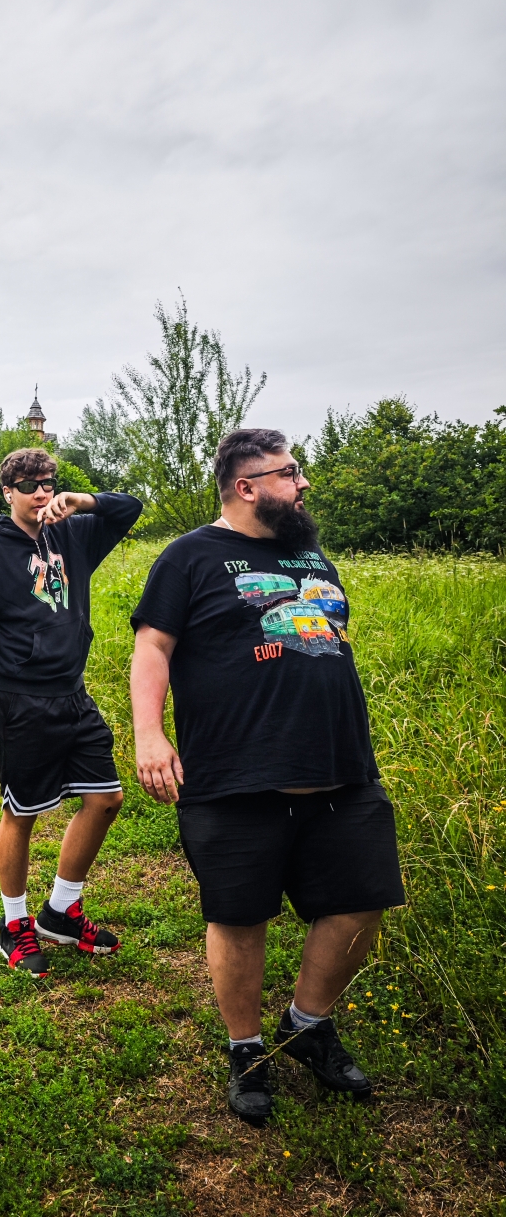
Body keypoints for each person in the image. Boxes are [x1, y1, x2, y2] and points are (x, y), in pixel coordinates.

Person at [128, 428, 404, 1124]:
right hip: (234, 771)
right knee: (239, 916)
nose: (303, 482)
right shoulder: (189, 556)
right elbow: (152, 647)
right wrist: (149, 734)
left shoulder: (309, 554)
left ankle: (306, 1025)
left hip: (340, 765)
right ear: (247, 486)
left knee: (361, 899)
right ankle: (245, 1049)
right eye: (289, 472)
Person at [0, 447, 142, 978]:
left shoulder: (73, 534)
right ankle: (14, 924)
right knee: (23, 812)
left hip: (72, 695)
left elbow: (130, 508)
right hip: (19, 699)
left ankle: (60, 911)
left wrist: (82, 501)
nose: (41, 492)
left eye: (48, 483)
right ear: (7, 492)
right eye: (29, 485)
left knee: (106, 799)